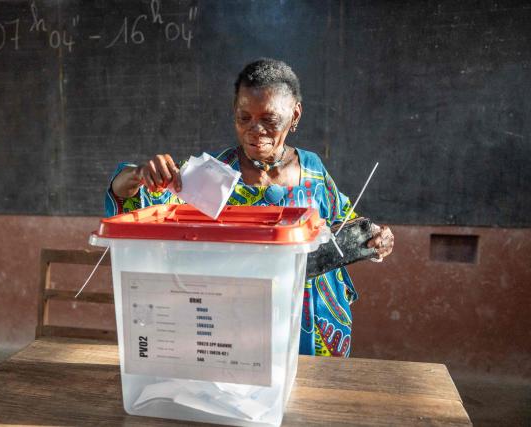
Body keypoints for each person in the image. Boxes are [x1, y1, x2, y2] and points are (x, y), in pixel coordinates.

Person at [105, 58, 394, 357]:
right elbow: (146, 205)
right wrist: (140, 175)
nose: (255, 130)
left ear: (294, 115)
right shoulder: (211, 174)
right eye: (244, 118)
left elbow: (346, 218)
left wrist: (374, 237)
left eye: (269, 119)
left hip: (315, 326)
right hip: (238, 332)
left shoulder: (313, 169)